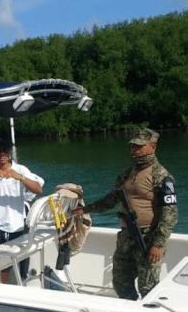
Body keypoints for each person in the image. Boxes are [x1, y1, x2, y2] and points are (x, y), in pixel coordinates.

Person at [75, 128, 178, 299]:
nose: (134, 151)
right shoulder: (126, 174)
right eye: (133, 146)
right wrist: (84, 209)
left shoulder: (161, 176)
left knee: (148, 287)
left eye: (139, 146)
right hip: (126, 237)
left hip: (148, 238)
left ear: (153, 147)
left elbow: (170, 213)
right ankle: (130, 310)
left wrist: (158, 244)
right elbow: (110, 200)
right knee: (121, 283)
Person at [0, 136, 44, 283]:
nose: (2, 154)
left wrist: (19, 177)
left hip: (17, 226)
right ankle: (1, 286)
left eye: (5, 150)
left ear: (10, 152)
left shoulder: (20, 169)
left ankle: (9, 284)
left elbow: (38, 190)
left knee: (21, 271)